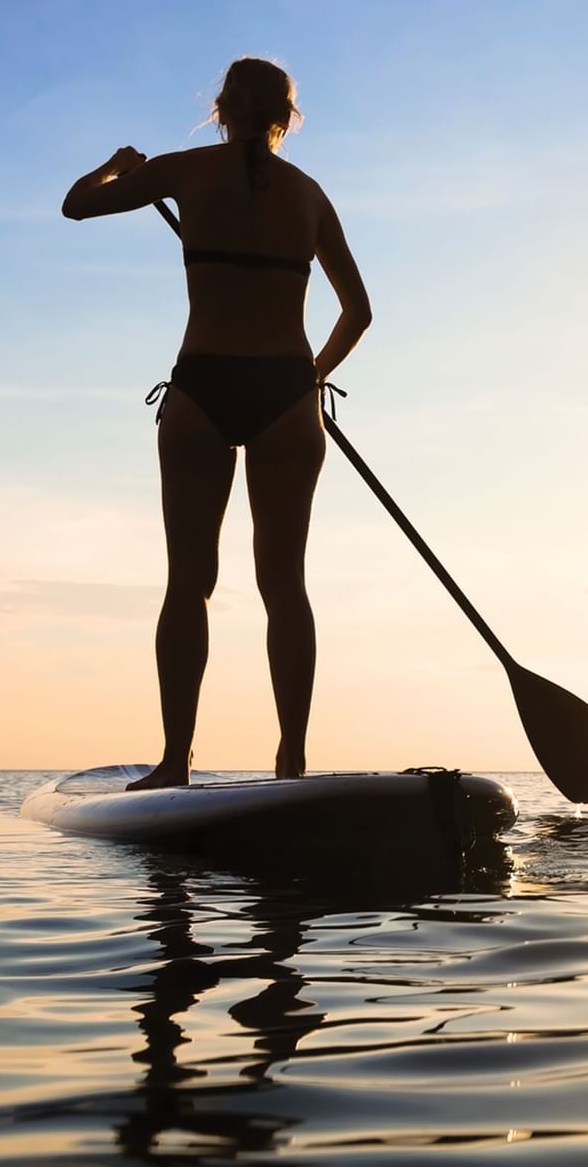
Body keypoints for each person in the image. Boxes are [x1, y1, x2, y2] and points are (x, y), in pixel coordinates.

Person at [62, 57, 371, 789]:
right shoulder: (310, 195)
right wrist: (309, 380)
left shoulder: (184, 170)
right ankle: (292, 759)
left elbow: (77, 204)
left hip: (204, 388)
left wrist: (114, 166)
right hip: (287, 396)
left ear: (221, 108)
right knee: (284, 586)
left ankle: (175, 762)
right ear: (285, 118)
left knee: (189, 584)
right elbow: (358, 312)